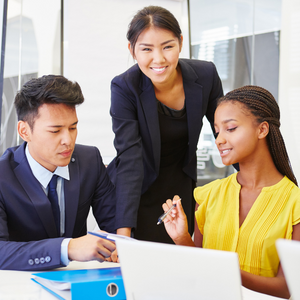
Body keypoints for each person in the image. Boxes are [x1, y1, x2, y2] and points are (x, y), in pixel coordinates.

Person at [162, 85, 300, 299]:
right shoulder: (209, 195)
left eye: (231, 128)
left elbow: (286, 288)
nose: (219, 140)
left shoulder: (295, 204)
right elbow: (198, 270)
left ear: (262, 129)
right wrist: (182, 238)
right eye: (217, 131)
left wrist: (224, 270)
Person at [107, 5, 223, 243]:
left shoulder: (206, 74)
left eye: (167, 46)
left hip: (179, 184)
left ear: (180, 42)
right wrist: (123, 237)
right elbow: (129, 158)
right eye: (146, 49)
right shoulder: (124, 87)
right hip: (136, 190)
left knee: (178, 259)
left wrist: (262, 185)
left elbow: (226, 131)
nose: (158, 59)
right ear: (132, 50)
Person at [0, 75, 118, 271]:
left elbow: (115, 225)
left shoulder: (90, 160)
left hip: (78, 280)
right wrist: (68, 248)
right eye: (55, 131)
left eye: (73, 127)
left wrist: (115, 245)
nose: (68, 140)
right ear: (24, 131)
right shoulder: (3, 175)